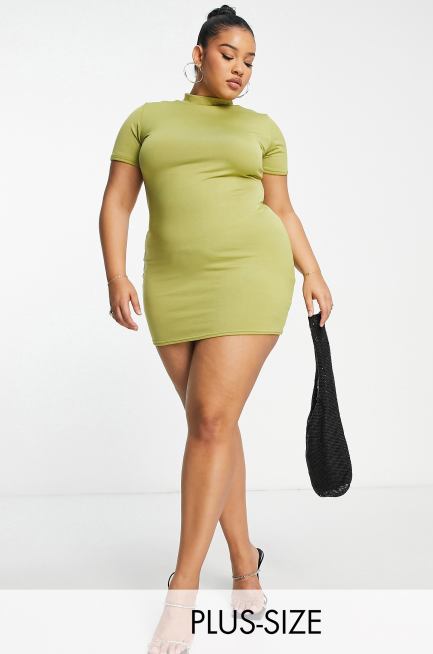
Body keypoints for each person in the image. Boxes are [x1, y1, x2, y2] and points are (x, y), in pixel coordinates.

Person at [99, 5, 333, 652]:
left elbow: (281, 209)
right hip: (172, 285)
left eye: (250, 61)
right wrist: (115, 274)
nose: (240, 70)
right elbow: (117, 201)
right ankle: (245, 565)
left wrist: (312, 272)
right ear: (198, 54)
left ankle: (182, 592)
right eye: (229, 55)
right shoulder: (146, 120)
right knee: (215, 427)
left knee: (207, 421)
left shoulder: (261, 129)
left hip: (249, 275)